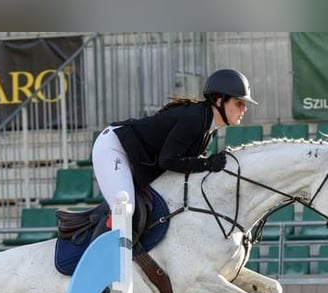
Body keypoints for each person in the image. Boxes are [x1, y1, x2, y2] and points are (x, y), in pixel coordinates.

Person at [91, 68, 258, 214]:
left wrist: (209, 164)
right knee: (126, 208)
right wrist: (207, 163)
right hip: (114, 147)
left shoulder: (208, 126)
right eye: (239, 103)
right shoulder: (194, 119)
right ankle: (100, 249)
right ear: (220, 101)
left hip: (137, 157)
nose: (245, 108)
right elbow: (167, 161)